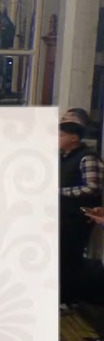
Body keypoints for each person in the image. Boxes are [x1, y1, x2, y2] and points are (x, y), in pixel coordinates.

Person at [59, 120, 102, 305]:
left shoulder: (87, 157)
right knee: (60, 256)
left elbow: (93, 187)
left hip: (77, 218)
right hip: (61, 215)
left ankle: (69, 299)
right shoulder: (63, 157)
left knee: (70, 257)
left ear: (74, 138)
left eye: (61, 135)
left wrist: (61, 191)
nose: (57, 138)